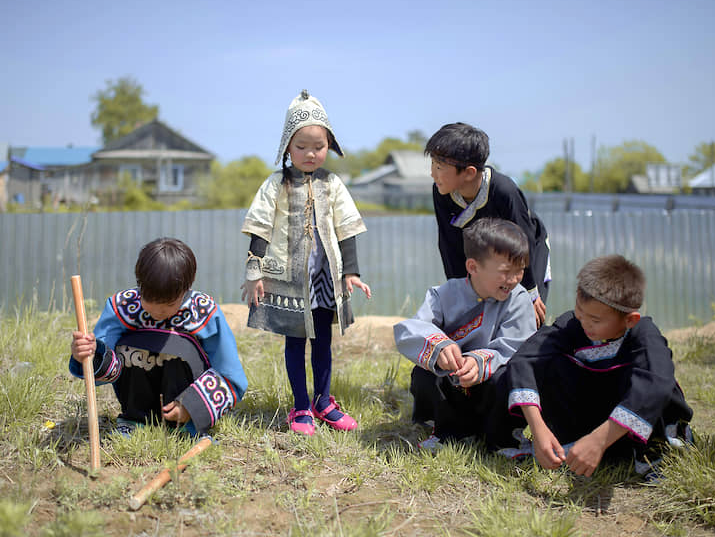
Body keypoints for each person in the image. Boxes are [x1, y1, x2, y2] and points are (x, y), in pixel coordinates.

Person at [241, 90, 371, 436]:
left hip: (324, 279)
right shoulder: (275, 185)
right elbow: (260, 228)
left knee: (324, 343)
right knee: (295, 342)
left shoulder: (334, 184)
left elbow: (347, 229)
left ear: (329, 146)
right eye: (302, 146)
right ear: (287, 147)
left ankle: (323, 401)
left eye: (319, 146)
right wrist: (254, 273)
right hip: (289, 281)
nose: (311, 153)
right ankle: (300, 406)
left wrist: (352, 272)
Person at [492, 255, 693, 477]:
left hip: (629, 433)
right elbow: (524, 360)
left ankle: (654, 456)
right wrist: (538, 428)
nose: (584, 322)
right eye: (580, 310)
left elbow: (657, 384)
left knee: (654, 382)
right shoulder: (571, 325)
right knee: (540, 362)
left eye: (595, 320)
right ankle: (562, 446)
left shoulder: (643, 335)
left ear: (629, 320)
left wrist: (600, 440)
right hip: (589, 430)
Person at [69, 238, 248, 438]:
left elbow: (229, 373)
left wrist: (193, 406)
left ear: (187, 287)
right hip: (136, 401)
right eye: (149, 301)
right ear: (140, 284)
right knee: (127, 347)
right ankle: (135, 420)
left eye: (169, 304)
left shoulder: (203, 312)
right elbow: (107, 361)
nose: (158, 311)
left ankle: (181, 425)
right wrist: (87, 354)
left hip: (184, 405)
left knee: (180, 347)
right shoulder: (122, 307)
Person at [393, 218, 536, 450]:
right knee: (424, 373)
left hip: (491, 386)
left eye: (520, 271)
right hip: (454, 385)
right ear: (473, 267)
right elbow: (411, 330)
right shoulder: (444, 294)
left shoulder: (518, 299)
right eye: (505, 272)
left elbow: (518, 347)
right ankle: (449, 434)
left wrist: (480, 362)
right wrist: (439, 346)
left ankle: (504, 439)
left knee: (509, 377)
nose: (514, 279)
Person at [427, 122, 551, 328]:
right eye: (432, 164)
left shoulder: (504, 191)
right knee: (478, 313)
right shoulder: (442, 193)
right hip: (489, 256)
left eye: (439, 167)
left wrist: (530, 290)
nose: (432, 173)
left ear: (468, 172)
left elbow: (525, 238)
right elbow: (449, 245)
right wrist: (460, 292)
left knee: (528, 317)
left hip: (527, 254)